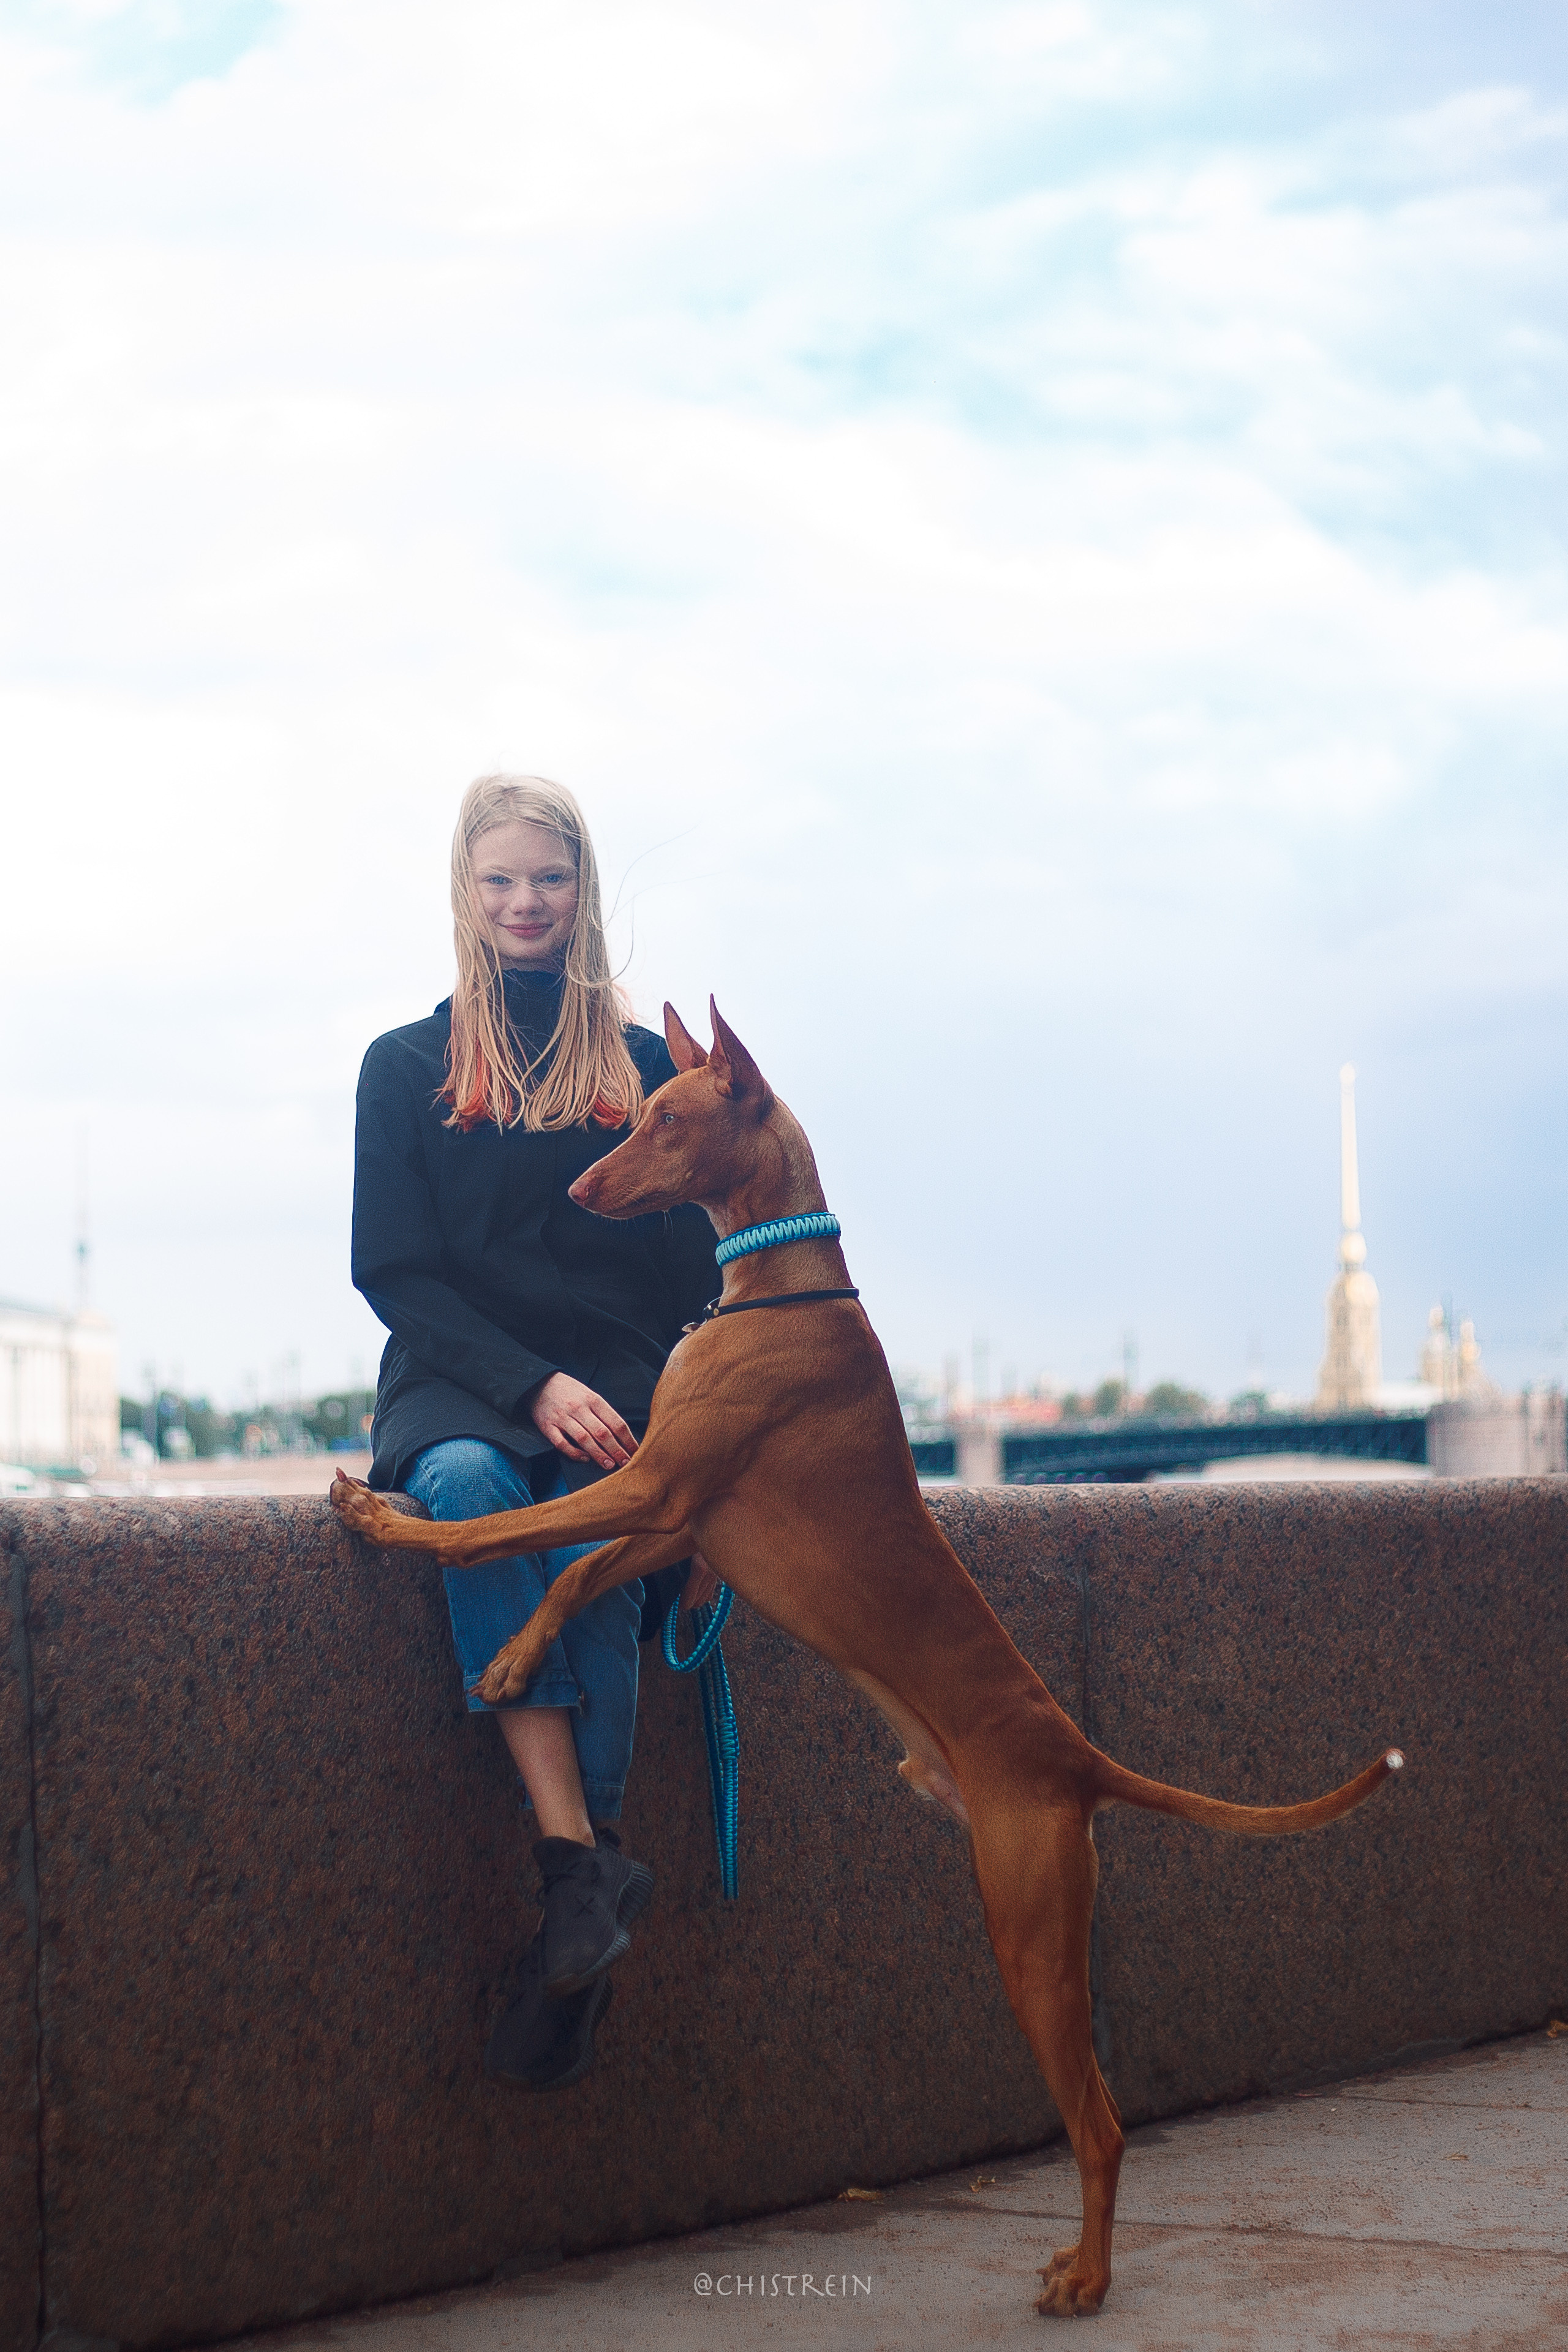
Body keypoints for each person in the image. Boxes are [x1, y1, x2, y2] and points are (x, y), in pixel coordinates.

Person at [351, 772, 720, 2090]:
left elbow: (689, 1280)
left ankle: (578, 1904)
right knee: (462, 1485)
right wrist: (528, 1386)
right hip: (459, 1386)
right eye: (499, 879)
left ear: (584, 894)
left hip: (616, 1389)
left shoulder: (648, 1069)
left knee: (599, 1531)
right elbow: (392, 1272)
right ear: (466, 890)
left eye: (548, 880)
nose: (524, 904)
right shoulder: (403, 1066)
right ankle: (581, 1864)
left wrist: (631, 1402)